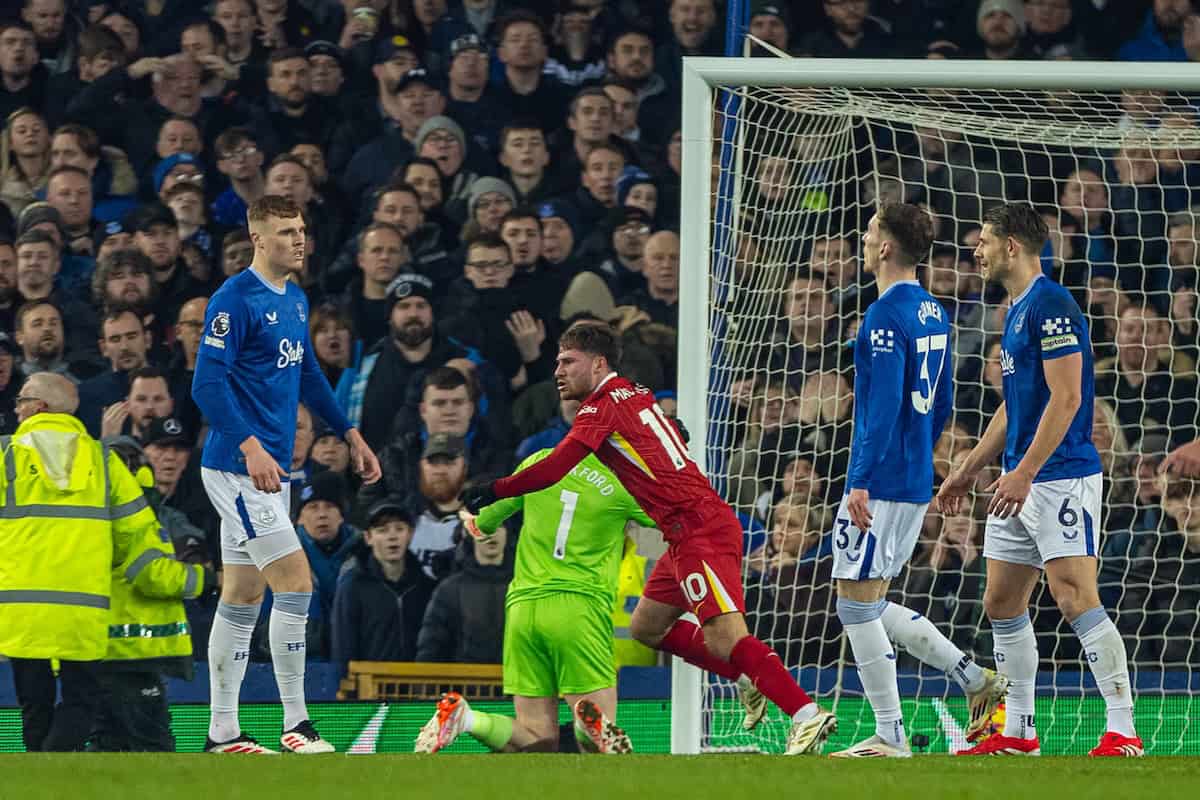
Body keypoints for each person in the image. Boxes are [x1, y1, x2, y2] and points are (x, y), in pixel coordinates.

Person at [462, 321, 837, 755]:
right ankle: (743, 674)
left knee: (726, 638)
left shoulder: (600, 408)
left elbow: (554, 469)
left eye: (568, 361)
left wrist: (494, 488)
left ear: (598, 363)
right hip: (684, 534)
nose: (558, 371)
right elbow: (659, 433)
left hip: (699, 530)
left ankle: (806, 714)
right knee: (647, 626)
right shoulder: (634, 392)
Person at [937, 202, 1142, 758]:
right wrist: (969, 466)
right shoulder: (1016, 310)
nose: (974, 252)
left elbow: (1069, 396)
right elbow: (1015, 406)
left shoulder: (1052, 305)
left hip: (1059, 478)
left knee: (1074, 596)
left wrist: (1026, 471)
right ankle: (1020, 731)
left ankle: (1123, 729)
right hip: (1018, 479)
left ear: (1011, 246)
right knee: (1002, 602)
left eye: (982, 241)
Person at [191, 195, 382, 755]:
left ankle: (222, 732)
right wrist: (250, 446)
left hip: (267, 469)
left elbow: (307, 376)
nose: (298, 240)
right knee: (297, 584)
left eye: (301, 230)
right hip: (238, 469)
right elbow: (207, 384)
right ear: (257, 239)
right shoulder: (233, 300)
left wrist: (350, 432)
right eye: (284, 232)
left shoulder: (296, 300)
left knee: (243, 595)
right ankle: (297, 725)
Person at [825, 204, 1006, 758]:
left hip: (879, 479)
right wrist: (923, 458)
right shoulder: (933, 310)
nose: (863, 235)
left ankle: (890, 734)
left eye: (871, 229)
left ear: (884, 247)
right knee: (872, 602)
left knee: (855, 605)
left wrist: (860, 479)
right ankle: (974, 679)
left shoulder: (883, 317)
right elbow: (946, 395)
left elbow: (878, 408)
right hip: (910, 475)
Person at [417, 448, 655, 754]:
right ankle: (588, 730)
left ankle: (468, 720)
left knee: (537, 735)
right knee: (601, 740)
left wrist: (472, 522)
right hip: (579, 608)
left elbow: (483, 523)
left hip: (522, 609)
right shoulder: (627, 481)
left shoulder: (539, 461)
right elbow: (674, 525)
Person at [0, 372, 181, 752]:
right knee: (80, 700)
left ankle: (39, 781)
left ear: (40, 406)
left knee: (34, 704)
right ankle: (54, 767)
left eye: (22, 400)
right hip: (84, 610)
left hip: (21, 610)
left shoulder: (5, 455)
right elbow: (137, 532)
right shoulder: (104, 461)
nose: (16, 408)